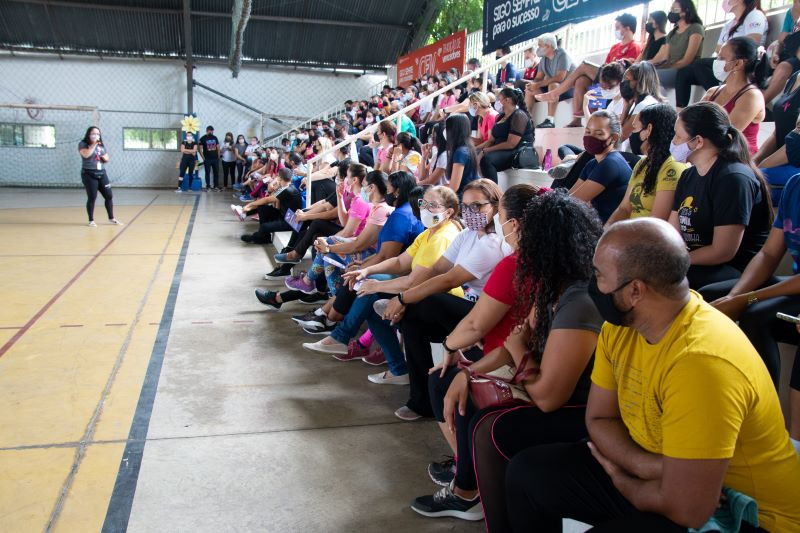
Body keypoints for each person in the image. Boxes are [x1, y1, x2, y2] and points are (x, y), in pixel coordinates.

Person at [505, 217, 800, 532]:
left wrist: (622, 478)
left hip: (743, 513)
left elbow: (688, 510)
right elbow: (600, 420)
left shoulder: (701, 362)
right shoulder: (620, 328)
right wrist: (647, 467)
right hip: (663, 476)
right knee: (529, 474)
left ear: (635, 291)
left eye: (599, 275)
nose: (592, 284)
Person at [415, 189, 603, 527]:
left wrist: (516, 351)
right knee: (452, 388)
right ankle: (469, 489)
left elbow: (547, 397)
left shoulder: (579, 300)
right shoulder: (551, 285)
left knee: (491, 427)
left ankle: (470, 492)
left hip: (580, 408)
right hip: (541, 381)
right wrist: (467, 374)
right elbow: (513, 344)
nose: (516, 244)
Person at [380, 179, 506, 421]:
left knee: (429, 301)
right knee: (412, 322)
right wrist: (405, 300)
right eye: (466, 206)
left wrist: (403, 298)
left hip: (485, 316)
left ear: (495, 206)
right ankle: (420, 401)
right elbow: (436, 269)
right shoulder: (467, 235)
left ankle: (424, 397)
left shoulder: (492, 244)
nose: (470, 213)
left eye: (477, 206)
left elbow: (449, 280)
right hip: (466, 312)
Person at [702, 175, 800, 453]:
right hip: (793, 284)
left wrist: (748, 298)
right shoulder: (794, 184)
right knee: (707, 295)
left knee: (757, 315)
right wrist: (735, 296)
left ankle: (764, 418)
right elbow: (769, 254)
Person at [669, 101, 772, 290]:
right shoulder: (688, 175)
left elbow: (723, 251)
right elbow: (672, 229)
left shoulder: (733, 178)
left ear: (698, 141)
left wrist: (676, 261)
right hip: (695, 260)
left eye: (677, 136)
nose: (673, 142)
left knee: (663, 282)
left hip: (734, 270)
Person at [536, 14, 640, 127]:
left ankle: (555, 93)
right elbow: (605, 66)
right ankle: (577, 120)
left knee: (584, 65)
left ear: (628, 28)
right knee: (581, 80)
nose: (615, 30)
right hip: (607, 75)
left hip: (619, 79)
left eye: (618, 27)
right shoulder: (614, 47)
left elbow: (632, 71)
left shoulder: (635, 47)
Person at [675, 0, 767, 110]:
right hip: (724, 60)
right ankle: (679, 112)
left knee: (699, 64)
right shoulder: (729, 24)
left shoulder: (754, 15)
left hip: (742, 62)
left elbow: (752, 44)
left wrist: (726, 55)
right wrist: (721, 57)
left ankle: (727, 99)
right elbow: (718, 49)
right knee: (684, 72)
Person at [607, 104, 685, 225]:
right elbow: (624, 209)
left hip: (648, 237)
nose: (631, 134)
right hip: (630, 232)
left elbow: (657, 223)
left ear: (649, 129)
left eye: (635, 129)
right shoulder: (642, 163)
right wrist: (605, 234)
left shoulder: (672, 166)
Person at [701, 37, 765, 156]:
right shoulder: (712, 92)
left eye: (721, 58)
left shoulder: (751, 96)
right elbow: (692, 122)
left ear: (738, 63)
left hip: (737, 161)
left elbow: (726, 137)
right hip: (709, 157)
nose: (716, 61)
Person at [569, 110, 632, 224]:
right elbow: (569, 196)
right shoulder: (593, 163)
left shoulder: (611, 163)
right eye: (588, 132)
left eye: (599, 134)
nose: (590, 137)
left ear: (614, 138)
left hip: (610, 230)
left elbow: (573, 201)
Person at [756, 65, 800, 205]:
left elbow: (795, 143)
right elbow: (778, 132)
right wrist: (755, 161)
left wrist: (759, 168)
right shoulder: (796, 76)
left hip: (795, 162)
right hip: (781, 158)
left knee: (751, 183)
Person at [476, 88, 534, 183]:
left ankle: (493, 194)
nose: (497, 102)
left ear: (507, 100)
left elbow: (511, 144)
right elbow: (491, 140)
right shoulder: (500, 117)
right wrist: (476, 149)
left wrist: (485, 151)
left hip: (516, 152)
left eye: (499, 99)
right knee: (473, 155)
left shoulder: (519, 115)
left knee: (487, 160)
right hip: (501, 150)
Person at [650, 0, 705, 92]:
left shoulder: (696, 28)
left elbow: (687, 60)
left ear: (685, 11)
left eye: (674, 9)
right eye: (671, 9)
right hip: (671, 68)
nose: (671, 12)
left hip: (684, 70)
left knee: (651, 77)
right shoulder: (672, 33)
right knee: (644, 74)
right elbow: (665, 58)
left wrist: (668, 68)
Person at [238, 168, 303, 244]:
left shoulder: (288, 190)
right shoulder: (287, 187)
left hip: (290, 221)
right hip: (284, 215)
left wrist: (249, 205)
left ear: (279, 177)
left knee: (264, 226)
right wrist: (273, 189)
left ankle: (258, 237)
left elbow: (267, 200)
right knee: (263, 208)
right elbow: (273, 202)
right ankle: (245, 213)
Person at [525, 33, 576, 128]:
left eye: (540, 46)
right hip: (555, 90)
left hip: (568, 89)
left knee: (553, 85)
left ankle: (550, 120)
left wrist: (538, 84)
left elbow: (559, 77)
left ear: (548, 46)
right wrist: (532, 84)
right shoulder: (544, 59)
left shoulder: (562, 55)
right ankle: (527, 121)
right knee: (529, 89)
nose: (538, 48)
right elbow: (538, 78)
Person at [78, 126, 121, 227]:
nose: (96, 135)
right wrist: (94, 145)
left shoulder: (101, 146)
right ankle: (91, 220)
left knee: (109, 195)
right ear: (89, 134)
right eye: (93, 133)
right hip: (89, 173)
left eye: (98, 134)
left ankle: (111, 217)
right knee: (92, 197)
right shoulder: (83, 144)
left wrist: (102, 155)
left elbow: (106, 157)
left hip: (101, 173)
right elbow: (86, 155)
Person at [762, 0, 800, 104]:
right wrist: (775, 53)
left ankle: (757, 108)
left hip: (797, 56)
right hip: (788, 53)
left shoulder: (796, 14)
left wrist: (797, 20)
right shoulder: (791, 13)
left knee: (783, 67)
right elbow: (781, 41)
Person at [619, 61, 665, 144]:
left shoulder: (644, 105)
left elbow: (619, 138)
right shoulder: (637, 103)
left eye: (627, 80)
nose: (623, 83)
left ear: (639, 82)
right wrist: (626, 107)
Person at [445, 114, 480, 195]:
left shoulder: (460, 152)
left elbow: (453, 188)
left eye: (447, 128)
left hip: (464, 198)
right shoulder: (467, 148)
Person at [198, 125, 220, 191]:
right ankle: (208, 186)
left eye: (212, 131)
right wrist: (203, 158)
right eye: (209, 130)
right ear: (207, 131)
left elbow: (218, 147)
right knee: (207, 173)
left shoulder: (215, 137)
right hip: (207, 159)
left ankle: (216, 186)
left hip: (215, 159)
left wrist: (218, 156)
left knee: (216, 172)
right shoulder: (202, 138)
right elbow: (200, 150)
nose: (211, 132)